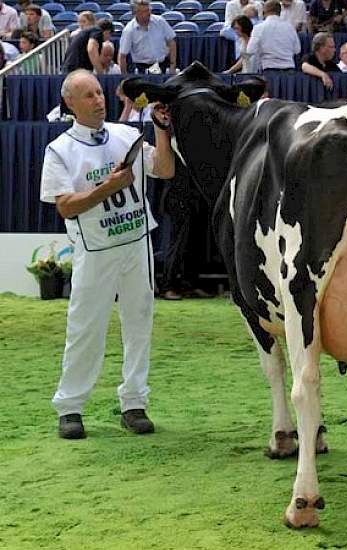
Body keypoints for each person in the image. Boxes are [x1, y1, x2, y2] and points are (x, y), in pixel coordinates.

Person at [41, 69, 176, 439]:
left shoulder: (127, 134)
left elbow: (164, 169)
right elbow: (66, 206)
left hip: (136, 243)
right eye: (88, 96)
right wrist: (109, 186)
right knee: (85, 327)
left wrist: (162, 129)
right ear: (70, 104)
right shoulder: (60, 150)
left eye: (100, 93)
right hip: (95, 249)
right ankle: (70, 407)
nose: (99, 100)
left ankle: (134, 402)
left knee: (139, 321)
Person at [118, 0, 177, 74]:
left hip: (162, 66)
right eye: (144, 11)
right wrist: (124, 75)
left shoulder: (160, 21)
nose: (148, 13)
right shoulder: (129, 30)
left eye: (149, 10)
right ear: (136, 13)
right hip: (141, 69)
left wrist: (173, 65)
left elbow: (172, 43)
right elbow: (122, 55)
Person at [247, 0, 301, 72]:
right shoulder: (290, 27)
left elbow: (250, 50)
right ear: (280, 11)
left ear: (264, 12)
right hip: (289, 72)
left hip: (269, 70)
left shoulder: (258, 28)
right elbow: (297, 50)